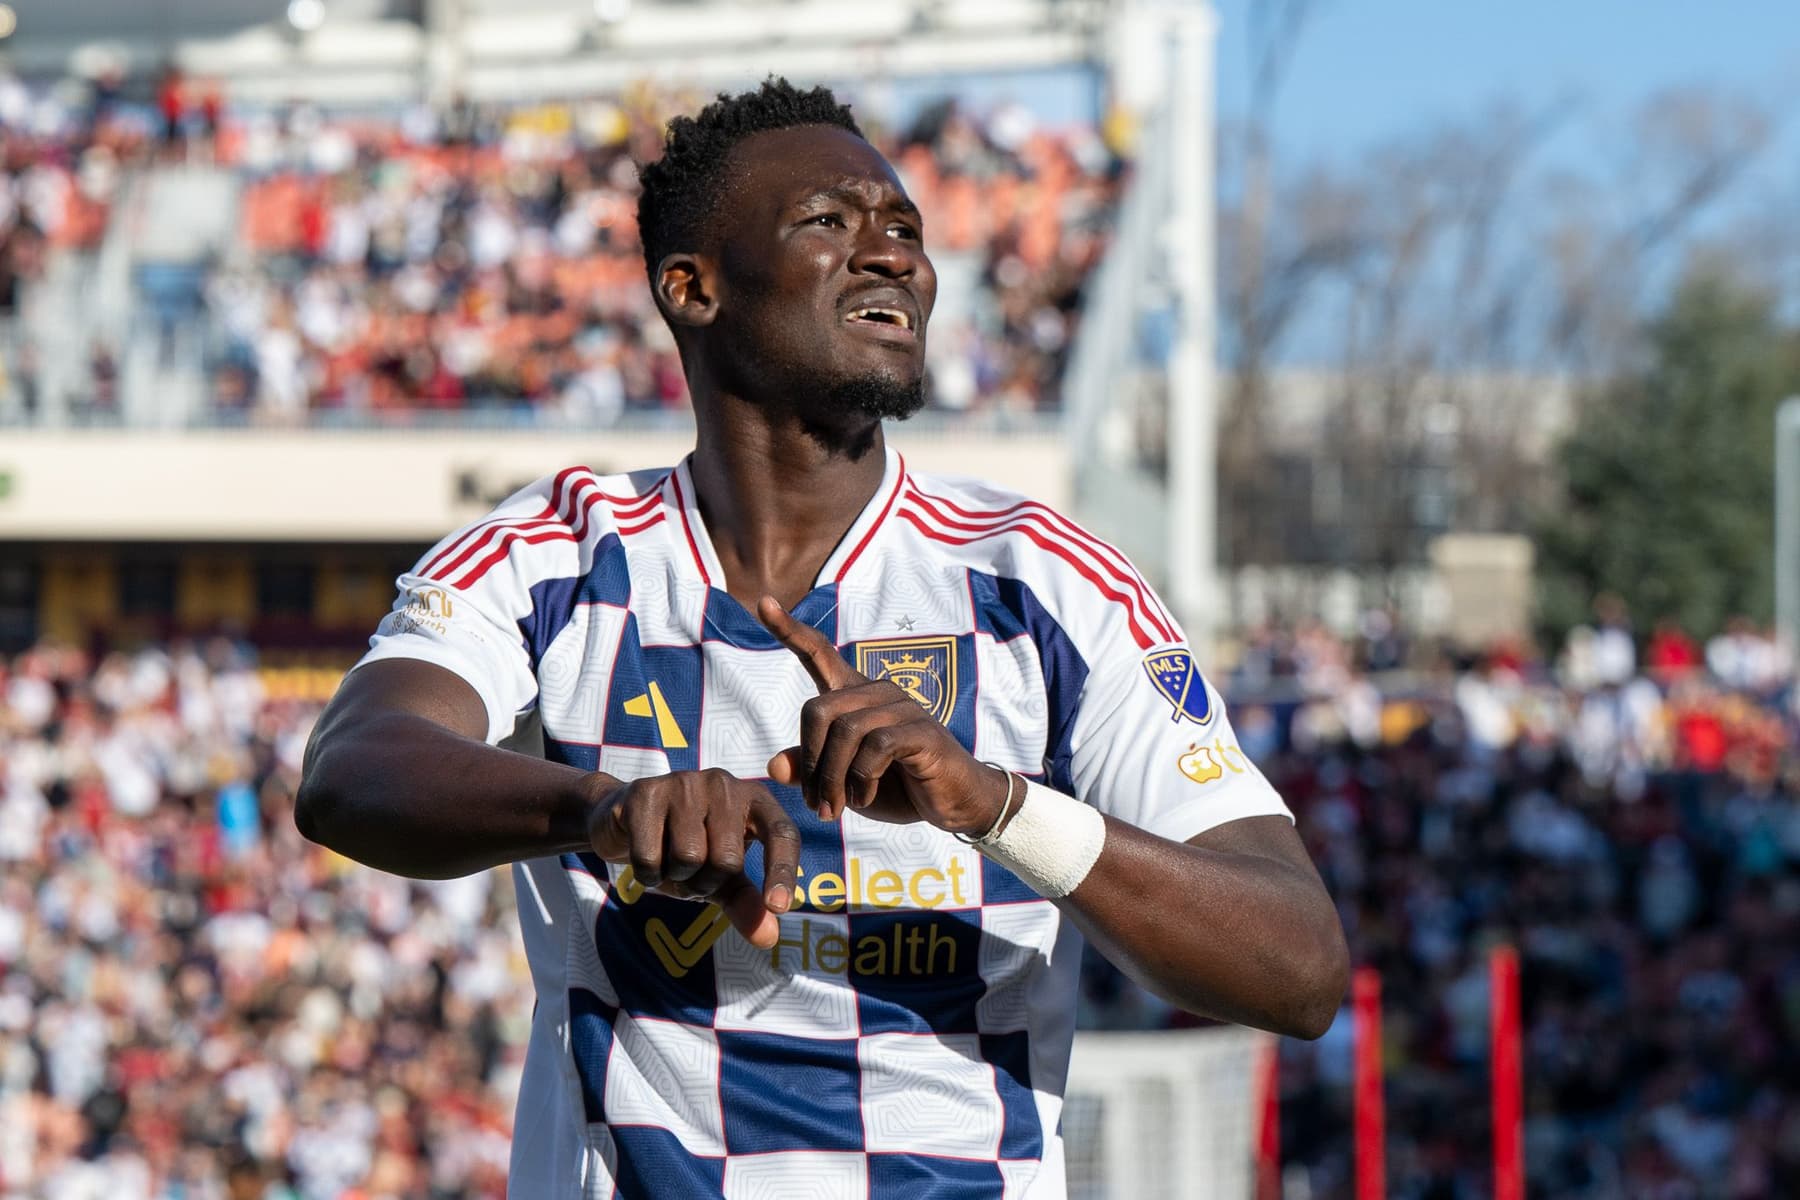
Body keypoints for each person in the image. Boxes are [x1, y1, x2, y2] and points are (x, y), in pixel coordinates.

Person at [296, 79, 1348, 1198]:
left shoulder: (1040, 578)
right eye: (829, 221)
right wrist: (603, 811)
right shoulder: (559, 550)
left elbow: (1297, 966)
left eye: (906, 229)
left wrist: (997, 807)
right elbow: (352, 768)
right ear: (692, 288)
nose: (894, 256)